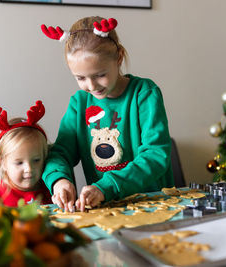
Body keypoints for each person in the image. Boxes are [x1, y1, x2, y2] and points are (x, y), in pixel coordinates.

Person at [40, 16, 174, 212]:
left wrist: (107, 186)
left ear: (119, 58)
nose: (91, 86)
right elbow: (60, 153)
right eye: (81, 78)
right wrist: (59, 180)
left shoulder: (144, 93)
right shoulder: (79, 103)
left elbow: (156, 155)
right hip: (108, 208)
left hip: (155, 204)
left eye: (100, 75)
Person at [0, 101, 52, 216]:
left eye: (36, 160)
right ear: (2, 162)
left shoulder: (52, 189)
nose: (29, 168)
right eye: (19, 162)